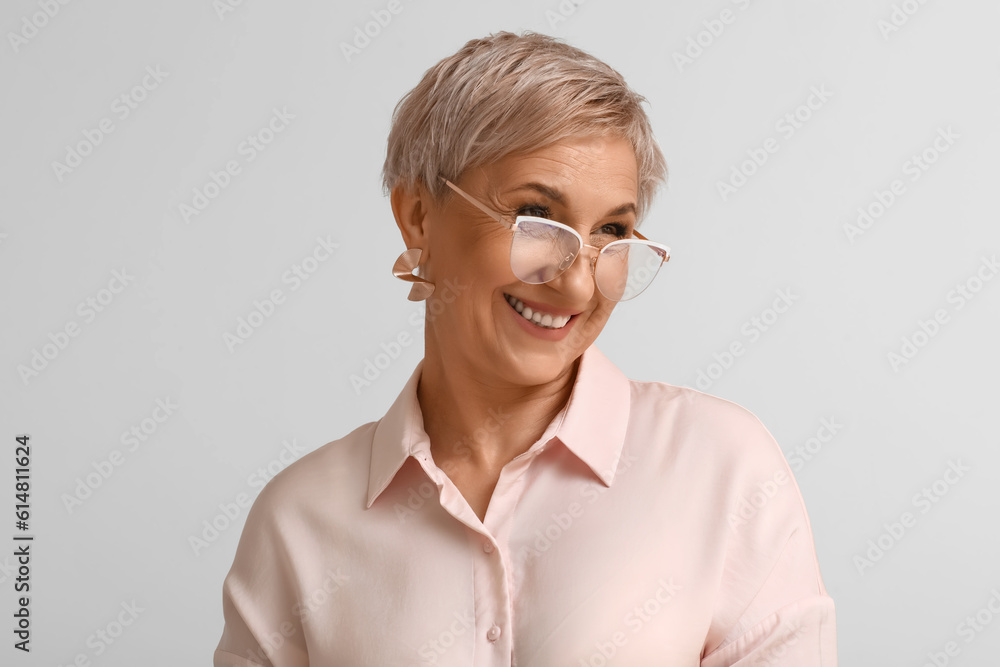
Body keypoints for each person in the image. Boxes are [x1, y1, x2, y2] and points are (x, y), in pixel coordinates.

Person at [214, 31, 838, 666]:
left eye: (613, 231)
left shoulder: (721, 468)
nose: (576, 280)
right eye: (537, 216)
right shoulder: (298, 520)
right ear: (420, 217)